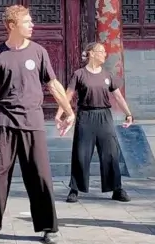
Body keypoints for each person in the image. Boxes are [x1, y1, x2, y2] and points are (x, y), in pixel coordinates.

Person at [0, 5, 76, 244]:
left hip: (33, 121)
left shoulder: (39, 52)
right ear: (12, 26)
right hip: (6, 123)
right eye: (27, 22)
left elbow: (53, 85)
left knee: (40, 175)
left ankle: (47, 226)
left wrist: (69, 111)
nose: (32, 25)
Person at [54, 41, 134, 203]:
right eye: (101, 51)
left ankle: (116, 189)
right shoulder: (79, 74)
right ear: (91, 53)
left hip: (104, 116)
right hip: (85, 116)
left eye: (104, 51)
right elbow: (67, 95)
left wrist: (129, 114)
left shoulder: (107, 75)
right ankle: (75, 189)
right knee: (81, 153)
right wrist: (59, 114)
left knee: (110, 153)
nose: (104, 54)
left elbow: (118, 96)